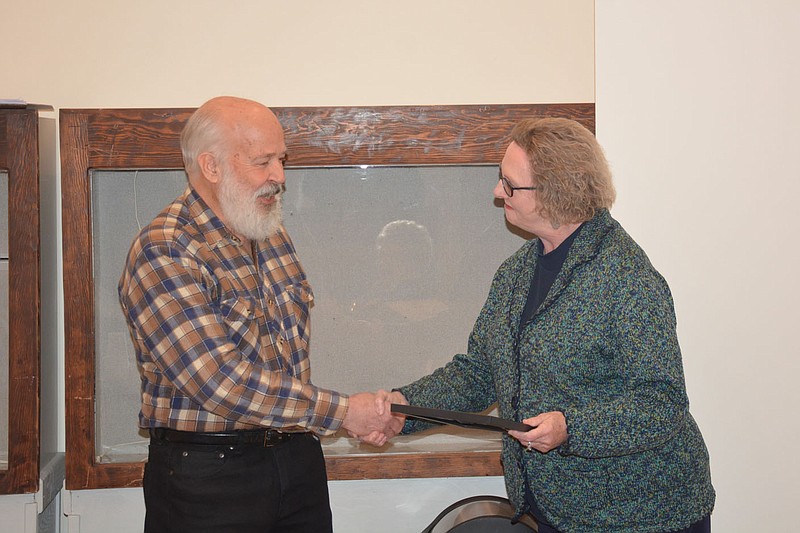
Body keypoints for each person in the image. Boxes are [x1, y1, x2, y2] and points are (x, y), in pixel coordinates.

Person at [380, 117, 715, 532]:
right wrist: (402, 406)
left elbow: (660, 404)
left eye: (509, 184)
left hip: (641, 515)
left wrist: (570, 428)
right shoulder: (516, 272)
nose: (496, 192)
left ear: (558, 191)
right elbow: (480, 372)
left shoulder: (626, 276)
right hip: (555, 512)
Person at [118, 96, 401, 533]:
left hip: (296, 458)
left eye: (281, 160)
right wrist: (345, 412)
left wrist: (383, 395)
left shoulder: (269, 231)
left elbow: (283, 348)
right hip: (209, 476)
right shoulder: (166, 249)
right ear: (211, 167)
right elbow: (218, 381)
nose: (279, 177)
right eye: (262, 161)